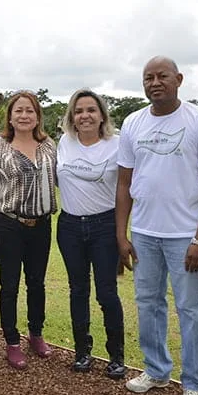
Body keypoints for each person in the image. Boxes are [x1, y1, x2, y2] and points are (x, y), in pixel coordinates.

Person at [116, 56, 198, 395]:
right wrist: (122, 234)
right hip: (144, 232)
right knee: (148, 304)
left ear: (179, 79)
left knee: (190, 309)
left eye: (162, 76)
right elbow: (125, 182)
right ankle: (156, 370)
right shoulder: (133, 122)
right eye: (148, 77)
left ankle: (193, 384)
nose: (154, 82)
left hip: (184, 235)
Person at [0, 91, 57, 370]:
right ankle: (12, 342)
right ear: (10, 116)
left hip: (41, 225)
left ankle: (35, 334)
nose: (24, 116)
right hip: (9, 224)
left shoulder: (49, 146)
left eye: (30, 111)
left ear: (38, 116)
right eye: (19, 111)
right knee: (9, 284)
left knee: (36, 283)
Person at [57, 89, 126, 379]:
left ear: (101, 116)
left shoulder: (118, 145)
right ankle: (82, 352)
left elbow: (126, 189)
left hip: (104, 225)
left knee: (107, 291)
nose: (84, 116)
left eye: (91, 110)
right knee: (78, 290)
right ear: (72, 116)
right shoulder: (64, 142)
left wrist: (122, 233)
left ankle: (116, 356)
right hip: (70, 225)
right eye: (79, 110)